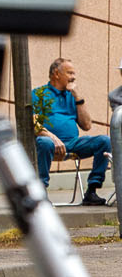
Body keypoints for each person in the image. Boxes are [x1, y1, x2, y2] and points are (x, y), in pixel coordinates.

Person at [32, 56, 110, 206]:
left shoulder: (72, 96)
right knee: (44, 141)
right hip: (47, 143)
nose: (74, 77)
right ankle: (40, 193)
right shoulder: (39, 94)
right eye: (70, 73)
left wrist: (78, 98)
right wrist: (53, 137)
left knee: (104, 141)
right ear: (56, 74)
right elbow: (34, 123)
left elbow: (87, 125)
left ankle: (92, 191)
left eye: (74, 73)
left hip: (73, 144)